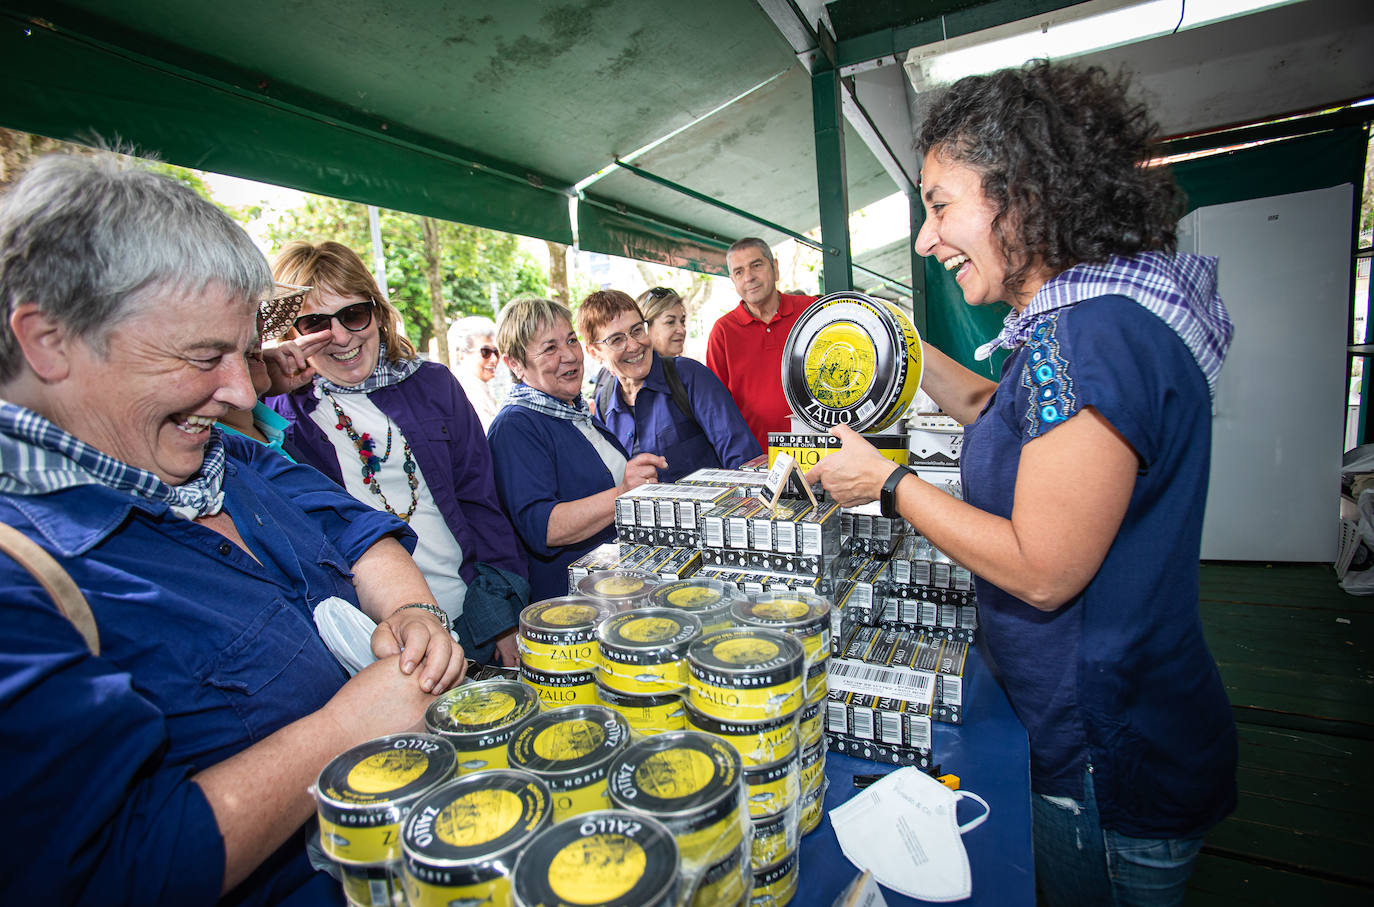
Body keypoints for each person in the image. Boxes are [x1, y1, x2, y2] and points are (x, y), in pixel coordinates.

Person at [806, 62, 1237, 907]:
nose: (927, 241)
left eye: (939, 204)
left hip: (1109, 754)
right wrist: (892, 340)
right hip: (1099, 723)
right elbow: (997, 414)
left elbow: (1045, 567)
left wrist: (888, 484)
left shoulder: (1090, 336)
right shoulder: (1090, 319)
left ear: (1024, 193)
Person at [0, 154, 464, 905]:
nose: (243, 389)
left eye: (243, 352)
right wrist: (341, 730)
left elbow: (357, 531)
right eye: (202, 356)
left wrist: (410, 611)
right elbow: (105, 872)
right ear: (49, 340)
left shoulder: (229, 455)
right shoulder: (21, 578)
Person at [267, 242, 528, 667]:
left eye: (353, 314)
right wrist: (265, 376)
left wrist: (501, 619)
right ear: (291, 334)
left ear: (377, 310)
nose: (340, 336)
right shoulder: (278, 418)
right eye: (315, 323)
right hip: (374, 648)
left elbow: (483, 505)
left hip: (473, 616)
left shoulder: (433, 384)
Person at [487, 297, 663, 601]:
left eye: (571, 340)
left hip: (614, 589)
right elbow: (545, 527)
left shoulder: (574, 412)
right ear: (514, 363)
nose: (569, 355)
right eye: (550, 348)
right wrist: (622, 491)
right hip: (574, 606)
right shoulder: (516, 426)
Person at [580, 290, 760, 484]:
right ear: (594, 353)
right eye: (616, 340)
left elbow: (743, 460)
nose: (633, 345)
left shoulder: (689, 377)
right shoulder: (604, 403)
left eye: (637, 330)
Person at [705, 238, 816, 452]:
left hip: (818, 450)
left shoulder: (809, 311)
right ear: (732, 280)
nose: (749, 277)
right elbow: (716, 407)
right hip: (756, 458)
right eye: (739, 272)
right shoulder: (723, 332)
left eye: (756, 265)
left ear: (774, 267)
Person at [447, 315, 503, 431]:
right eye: (485, 352)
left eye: (496, 352)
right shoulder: (465, 393)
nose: (494, 359)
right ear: (461, 355)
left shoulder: (481, 388)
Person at [636, 286, 688, 358]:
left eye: (682, 321)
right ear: (644, 329)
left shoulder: (686, 367)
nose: (681, 330)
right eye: (670, 322)